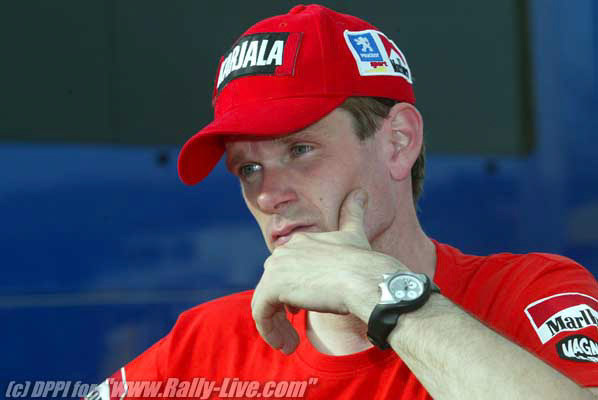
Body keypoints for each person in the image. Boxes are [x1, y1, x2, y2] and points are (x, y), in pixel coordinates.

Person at [89, 4, 598, 399]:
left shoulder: (528, 295)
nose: (268, 195)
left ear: (398, 142)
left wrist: (384, 297)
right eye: (248, 169)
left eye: (300, 149)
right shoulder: (207, 341)